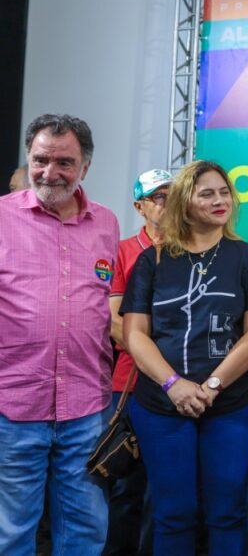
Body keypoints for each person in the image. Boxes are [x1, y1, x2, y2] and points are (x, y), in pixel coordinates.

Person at [121, 160, 248, 556]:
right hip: (160, 405)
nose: (220, 200)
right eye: (206, 193)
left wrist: (210, 386)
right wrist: (174, 385)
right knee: (173, 513)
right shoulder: (152, 261)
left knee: (227, 512)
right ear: (183, 201)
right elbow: (135, 335)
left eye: (224, 192)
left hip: (233, 405)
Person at [0, 114, 119, 555]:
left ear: (85, 166)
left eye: (64, 162)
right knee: (12, 533)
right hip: (14, 404)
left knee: (86, 529)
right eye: (40, 160)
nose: (50, 173)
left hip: (86, 404)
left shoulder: (106, 224)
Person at [105, 168, 173, 555]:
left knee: (165, 488)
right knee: (125, 484)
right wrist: (157, 357)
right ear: (140, 206)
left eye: (172, 195)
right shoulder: (124, 250)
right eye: (159, 197)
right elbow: (113, 321)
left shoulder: (190, 248)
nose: (167, 203)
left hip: (181, 382)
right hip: (131, 382)